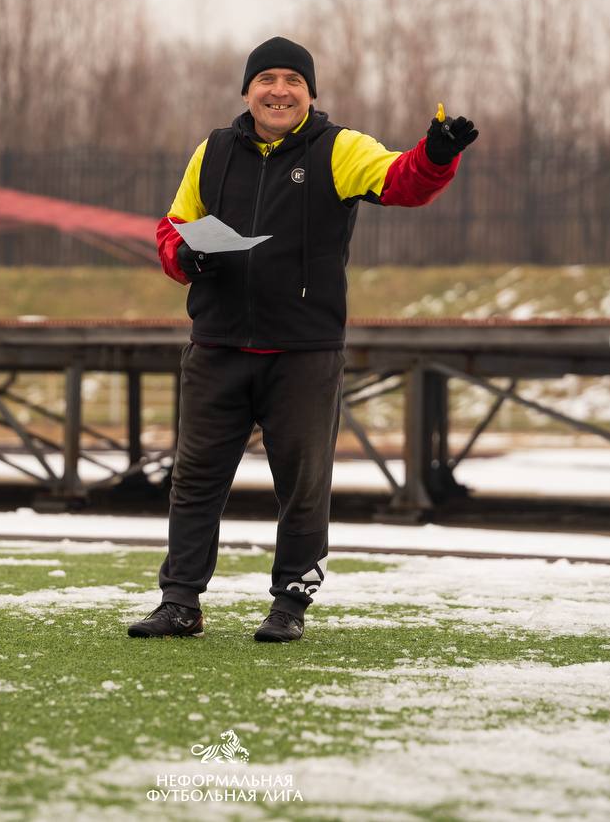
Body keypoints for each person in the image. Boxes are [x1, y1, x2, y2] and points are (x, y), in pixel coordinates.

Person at [127, 37, 477, 643]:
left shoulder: (339, 147)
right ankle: (180, 602)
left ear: (311, 93)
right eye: (266, 79)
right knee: (195, 480)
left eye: (294, 80)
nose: (279, 90)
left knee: (303, 484)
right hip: (217, 346)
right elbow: (173, 226)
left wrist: (437, 155)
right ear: (247, 91)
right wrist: (182, 254)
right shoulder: (212, 150)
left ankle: (289, 603)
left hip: (304, 352)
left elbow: (403, 181)